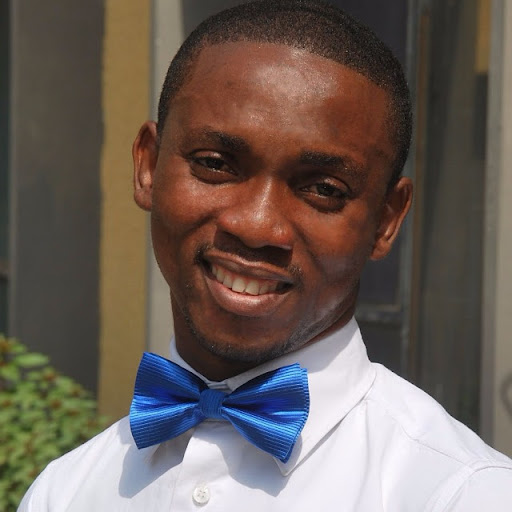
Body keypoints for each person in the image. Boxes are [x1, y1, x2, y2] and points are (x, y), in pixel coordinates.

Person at [19, 1, 512, 510]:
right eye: (215, 164)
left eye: (323, 189)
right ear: (148, 165)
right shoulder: (65, 492)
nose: (256, 226)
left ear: (386, 220)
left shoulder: (463, 494)